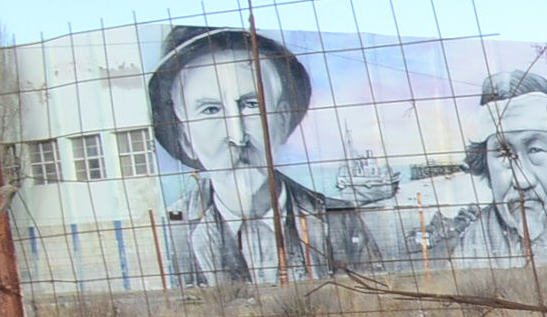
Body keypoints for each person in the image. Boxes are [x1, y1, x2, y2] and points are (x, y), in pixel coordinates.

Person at [147, 26, 381, 284]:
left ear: (282, 120)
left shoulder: (339, 220)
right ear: (185, 139)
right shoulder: (170, 228)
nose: (238, 137)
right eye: (211, 110)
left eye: (251, 105)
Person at [434, 68, 547, 266]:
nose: (522, 181)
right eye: (504, 154)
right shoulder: (468, 251)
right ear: (486, 166)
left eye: (535, 150)